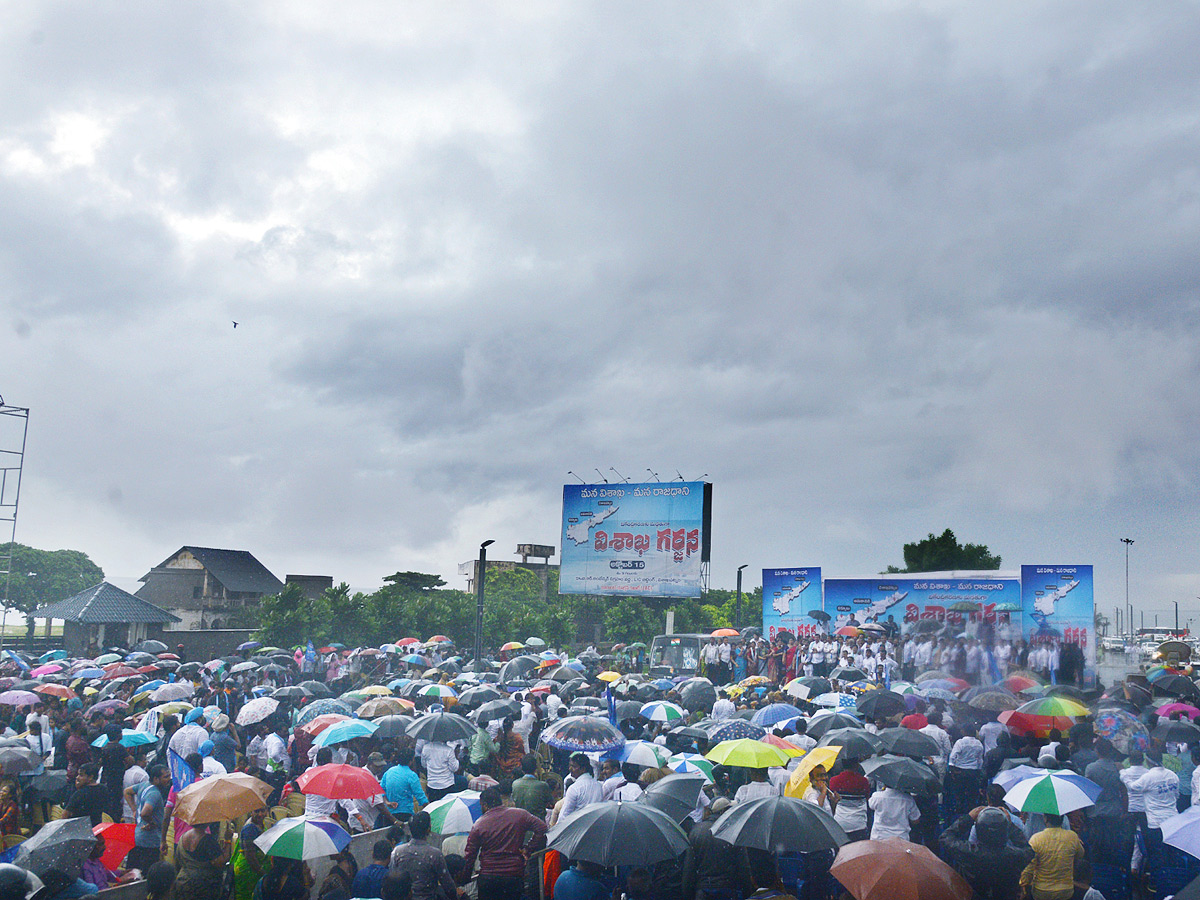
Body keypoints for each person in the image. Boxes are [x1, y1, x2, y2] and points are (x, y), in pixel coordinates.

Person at [463, 787, 548, 900]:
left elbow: (470, 855)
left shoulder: (479, 825)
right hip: (513, 875)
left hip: (488, 878)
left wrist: (466, 877)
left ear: (484, 805)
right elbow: (542, 828)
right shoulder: (519, 814)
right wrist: (528, 849)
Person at [682, 798, 754, 900]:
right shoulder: (732, 831)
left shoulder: (697, 831)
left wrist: (687, 894)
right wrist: (748, 893)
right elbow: (743, 868)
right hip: (727, 890)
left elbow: (689, 869)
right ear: (723, 812)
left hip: (703, 891)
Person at [389, 811, 458, 900]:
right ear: (428, 829)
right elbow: (448, 885)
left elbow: (393, 877)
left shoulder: (398, 851)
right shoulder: (435, 854)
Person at [1019, 812, 1084, 900]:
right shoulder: (1072, 837)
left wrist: (1023, 884)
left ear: (1045, 819)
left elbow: (1030, 866)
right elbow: (1080, 854)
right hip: (1065, 890)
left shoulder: (1036, 839)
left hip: (1041, 890)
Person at [127, 764, 171, 872]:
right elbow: (145, 813)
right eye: (165, 777)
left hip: (138, 838)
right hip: (149, 842)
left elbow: (127, 792)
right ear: (156, 779)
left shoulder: (144, 785)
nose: (169, 779)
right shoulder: (154, 793)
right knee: (148, 873)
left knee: (134, 872)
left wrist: (134, 810)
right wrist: (151, 823)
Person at [173, 822, 229, 900]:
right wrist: (228, 840)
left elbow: (177, 862)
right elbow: (220, 862)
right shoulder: (208, 840)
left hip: (183, 884)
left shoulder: (183, 837)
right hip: (202, 888)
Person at [231, 806, 271, 900]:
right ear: (251, 812)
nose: (260, 814)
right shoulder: (250, 829)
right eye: (257, 811)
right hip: (248, 872)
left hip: (254, 871)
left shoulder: (261, 824)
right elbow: (250, 857)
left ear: (267, 811)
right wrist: (263, 874)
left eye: (263, 811)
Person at [382, 746, 427, 822]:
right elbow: (420, 797)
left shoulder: (389, 771)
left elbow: (381, 792)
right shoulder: (411, 775)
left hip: (389, 816)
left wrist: (387, 802)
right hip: (405, 815)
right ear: (411, 761)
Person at [828, 761, 871, 842]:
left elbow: (832, 801)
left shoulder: (834, 781)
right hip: (859, 824)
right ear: (856, 764)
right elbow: (867, 798)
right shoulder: (863, 781)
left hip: (840, 823)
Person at [559, 754, 603, 820]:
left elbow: (564, 815)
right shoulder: (599, 786)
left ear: (583, 769)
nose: (570, 769)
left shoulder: (574, 788)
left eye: (574, 766)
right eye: (570, 766)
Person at [510, 756, 553, 821]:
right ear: (535, 768)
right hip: (538, 824)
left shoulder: (515, 784)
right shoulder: (542, 785)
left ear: (522, 768)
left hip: (520, 823)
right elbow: (551, 803)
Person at [421, 739, 460, 803]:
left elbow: (424, 765)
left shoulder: (426, 748)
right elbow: (454, 768)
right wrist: (456, 759)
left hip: (432, 785)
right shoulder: (449, 750)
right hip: (447, 785)